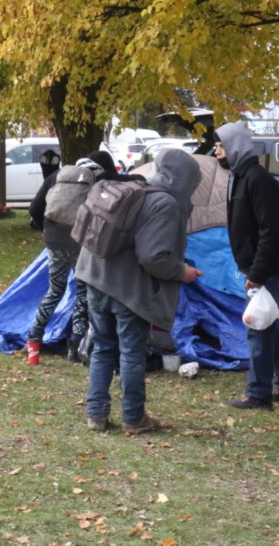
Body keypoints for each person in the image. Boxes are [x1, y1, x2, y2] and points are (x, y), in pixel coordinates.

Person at [76, 149, 203, 434]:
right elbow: (153, 257)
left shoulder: (136, 187)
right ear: (185, 180)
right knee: (132, 352)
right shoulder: (165, 204)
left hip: (96, 279)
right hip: (126, 290)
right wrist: (182, 272)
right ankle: (134, 418)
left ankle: (96, 415)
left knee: (103, 347)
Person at [213, 121, 279, 410]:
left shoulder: (257, 179)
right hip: (258, 268)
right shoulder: (239, 176)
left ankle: (258, 394)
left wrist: (257, 273)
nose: (216, 152)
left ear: (235, 147)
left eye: (220, 146)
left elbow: (271, 231)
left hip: (268, 269)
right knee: (268, 323)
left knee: (257, 327)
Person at [26, 150, 121, 365]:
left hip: (54, 240)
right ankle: (75, 346)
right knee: (82, 293)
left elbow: (34, 208)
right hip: (79, 241)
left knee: (55, 290)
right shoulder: (96, 180)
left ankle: (34, 339)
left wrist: (47, 230)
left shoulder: (58, 176)